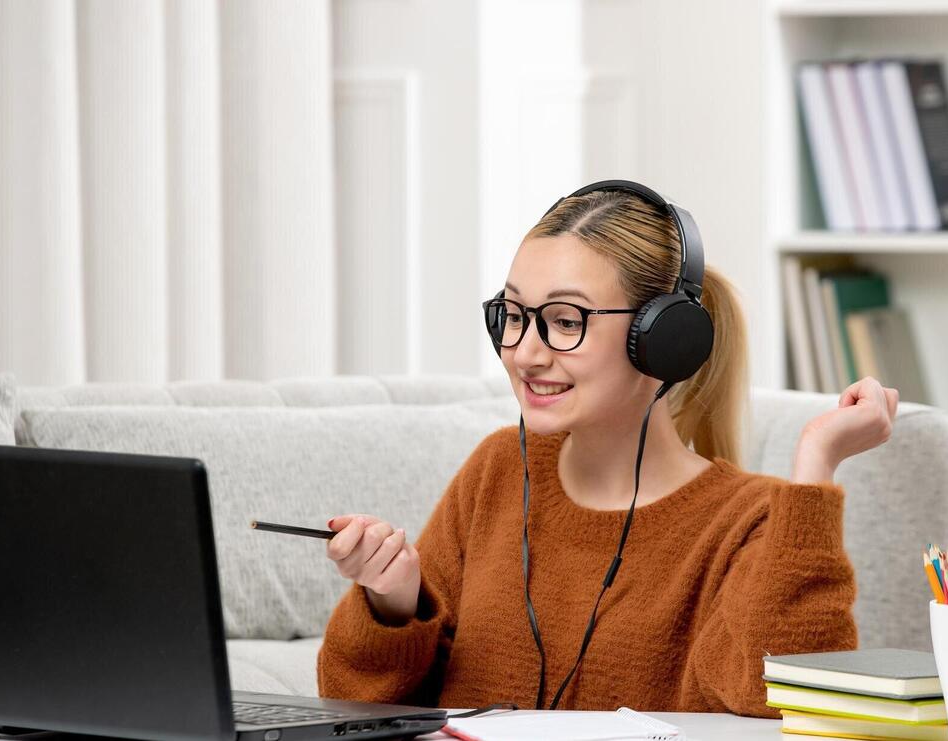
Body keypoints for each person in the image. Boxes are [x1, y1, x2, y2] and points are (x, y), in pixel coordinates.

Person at [316, 183, 899, 717]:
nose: (525, 353)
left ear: (663, 340)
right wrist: (394, 604)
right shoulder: (498, 469)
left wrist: (815, 470)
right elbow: (352, 709)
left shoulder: (752, 519)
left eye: (565, 321)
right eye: (515, 316)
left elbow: (788, 704)